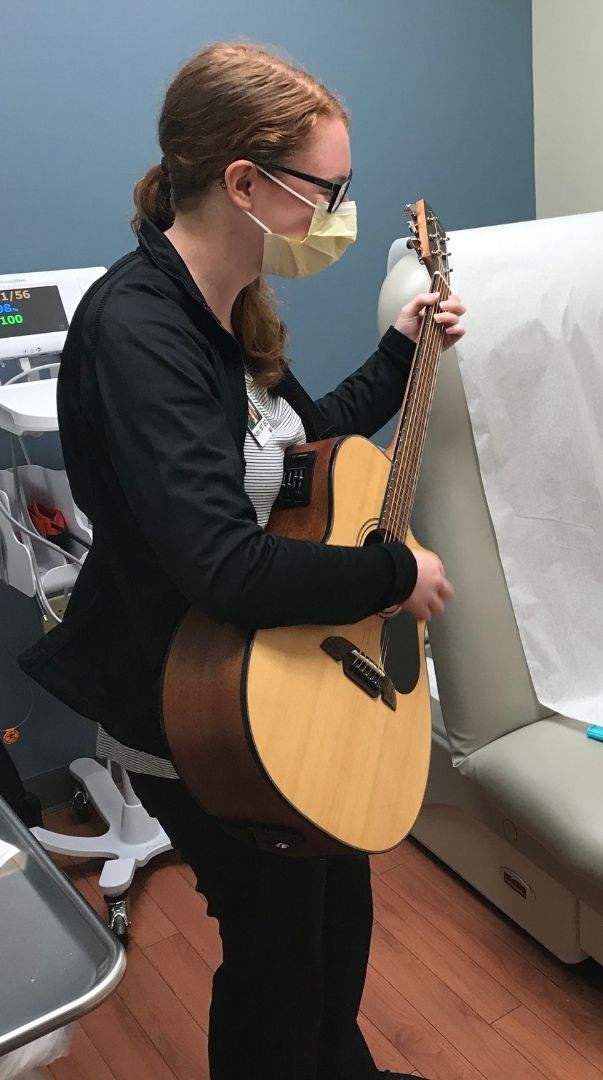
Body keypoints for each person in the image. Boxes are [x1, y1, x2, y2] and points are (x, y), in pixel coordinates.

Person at [18, 41, 464, 1080]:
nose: (339, 214)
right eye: (327, 190)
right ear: (244, 184)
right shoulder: (139, 330)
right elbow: (226, 568)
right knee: (277, 952)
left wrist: (403, 348)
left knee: (335, 913)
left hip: (280, 669)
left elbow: (299, 458)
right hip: (194, 698)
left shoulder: (230, 309)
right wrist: (399, 577)